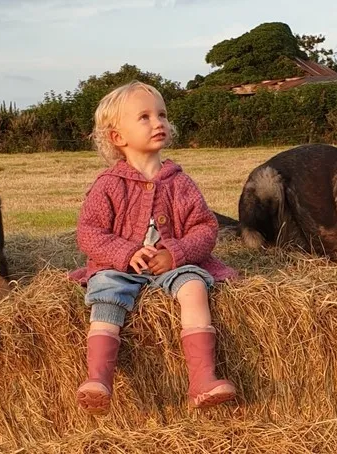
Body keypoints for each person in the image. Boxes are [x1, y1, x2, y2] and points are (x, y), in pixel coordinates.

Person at [68, 81, 238, 415]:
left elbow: (206, 227)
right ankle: (99, 379)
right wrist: (125, 253)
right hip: (120, 269)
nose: (158, 122)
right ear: (118, 137)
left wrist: (176, 253)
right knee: (105, 293)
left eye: (161, 114)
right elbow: (88, 233)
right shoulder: (109, 185)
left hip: (172, 267)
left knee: (193, 286)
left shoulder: (180, 183)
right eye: (144, 117)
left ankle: (202, 380)